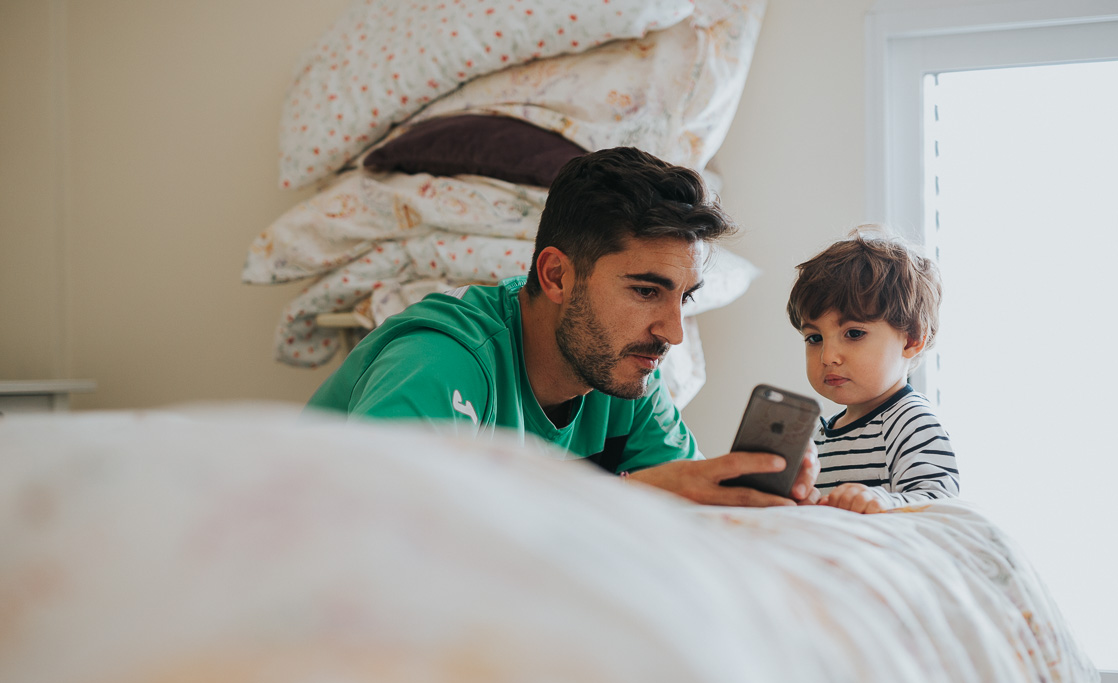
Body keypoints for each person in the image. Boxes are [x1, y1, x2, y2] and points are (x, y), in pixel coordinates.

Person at [307, 146, 818, 507]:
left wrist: (742, 491)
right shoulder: (441, 358)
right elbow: (382, 523)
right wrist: (627, 494)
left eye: (683, 298)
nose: (672, 332)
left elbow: (682, 499)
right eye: (645, 291)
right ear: (557, 275)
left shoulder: (624, 371)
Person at [785, 225, 959, 514]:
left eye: (853, 334)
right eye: (815, 338)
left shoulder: (910, 421)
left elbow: (940, 505)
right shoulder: (815, 436)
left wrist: (883, 502)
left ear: (913, 338)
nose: (828, 356)